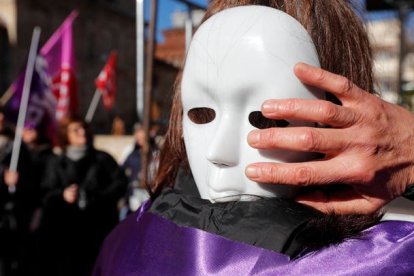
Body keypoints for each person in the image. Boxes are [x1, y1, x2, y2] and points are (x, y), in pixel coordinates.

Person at [94, 2, 414, 275]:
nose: (219, 152)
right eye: (203, 113)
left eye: (265, 120)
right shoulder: (384, 257)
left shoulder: (126, 242)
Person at [36, 115, 128, 276]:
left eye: (84, 128)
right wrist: (62, 195)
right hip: (65, 236)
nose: (82, 132)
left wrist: (95, 196)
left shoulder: (102, 159)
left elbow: (120, 184)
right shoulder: (56, 163)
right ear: (66, 135)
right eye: (76, 130)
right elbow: (45, 194)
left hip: (97, 232)